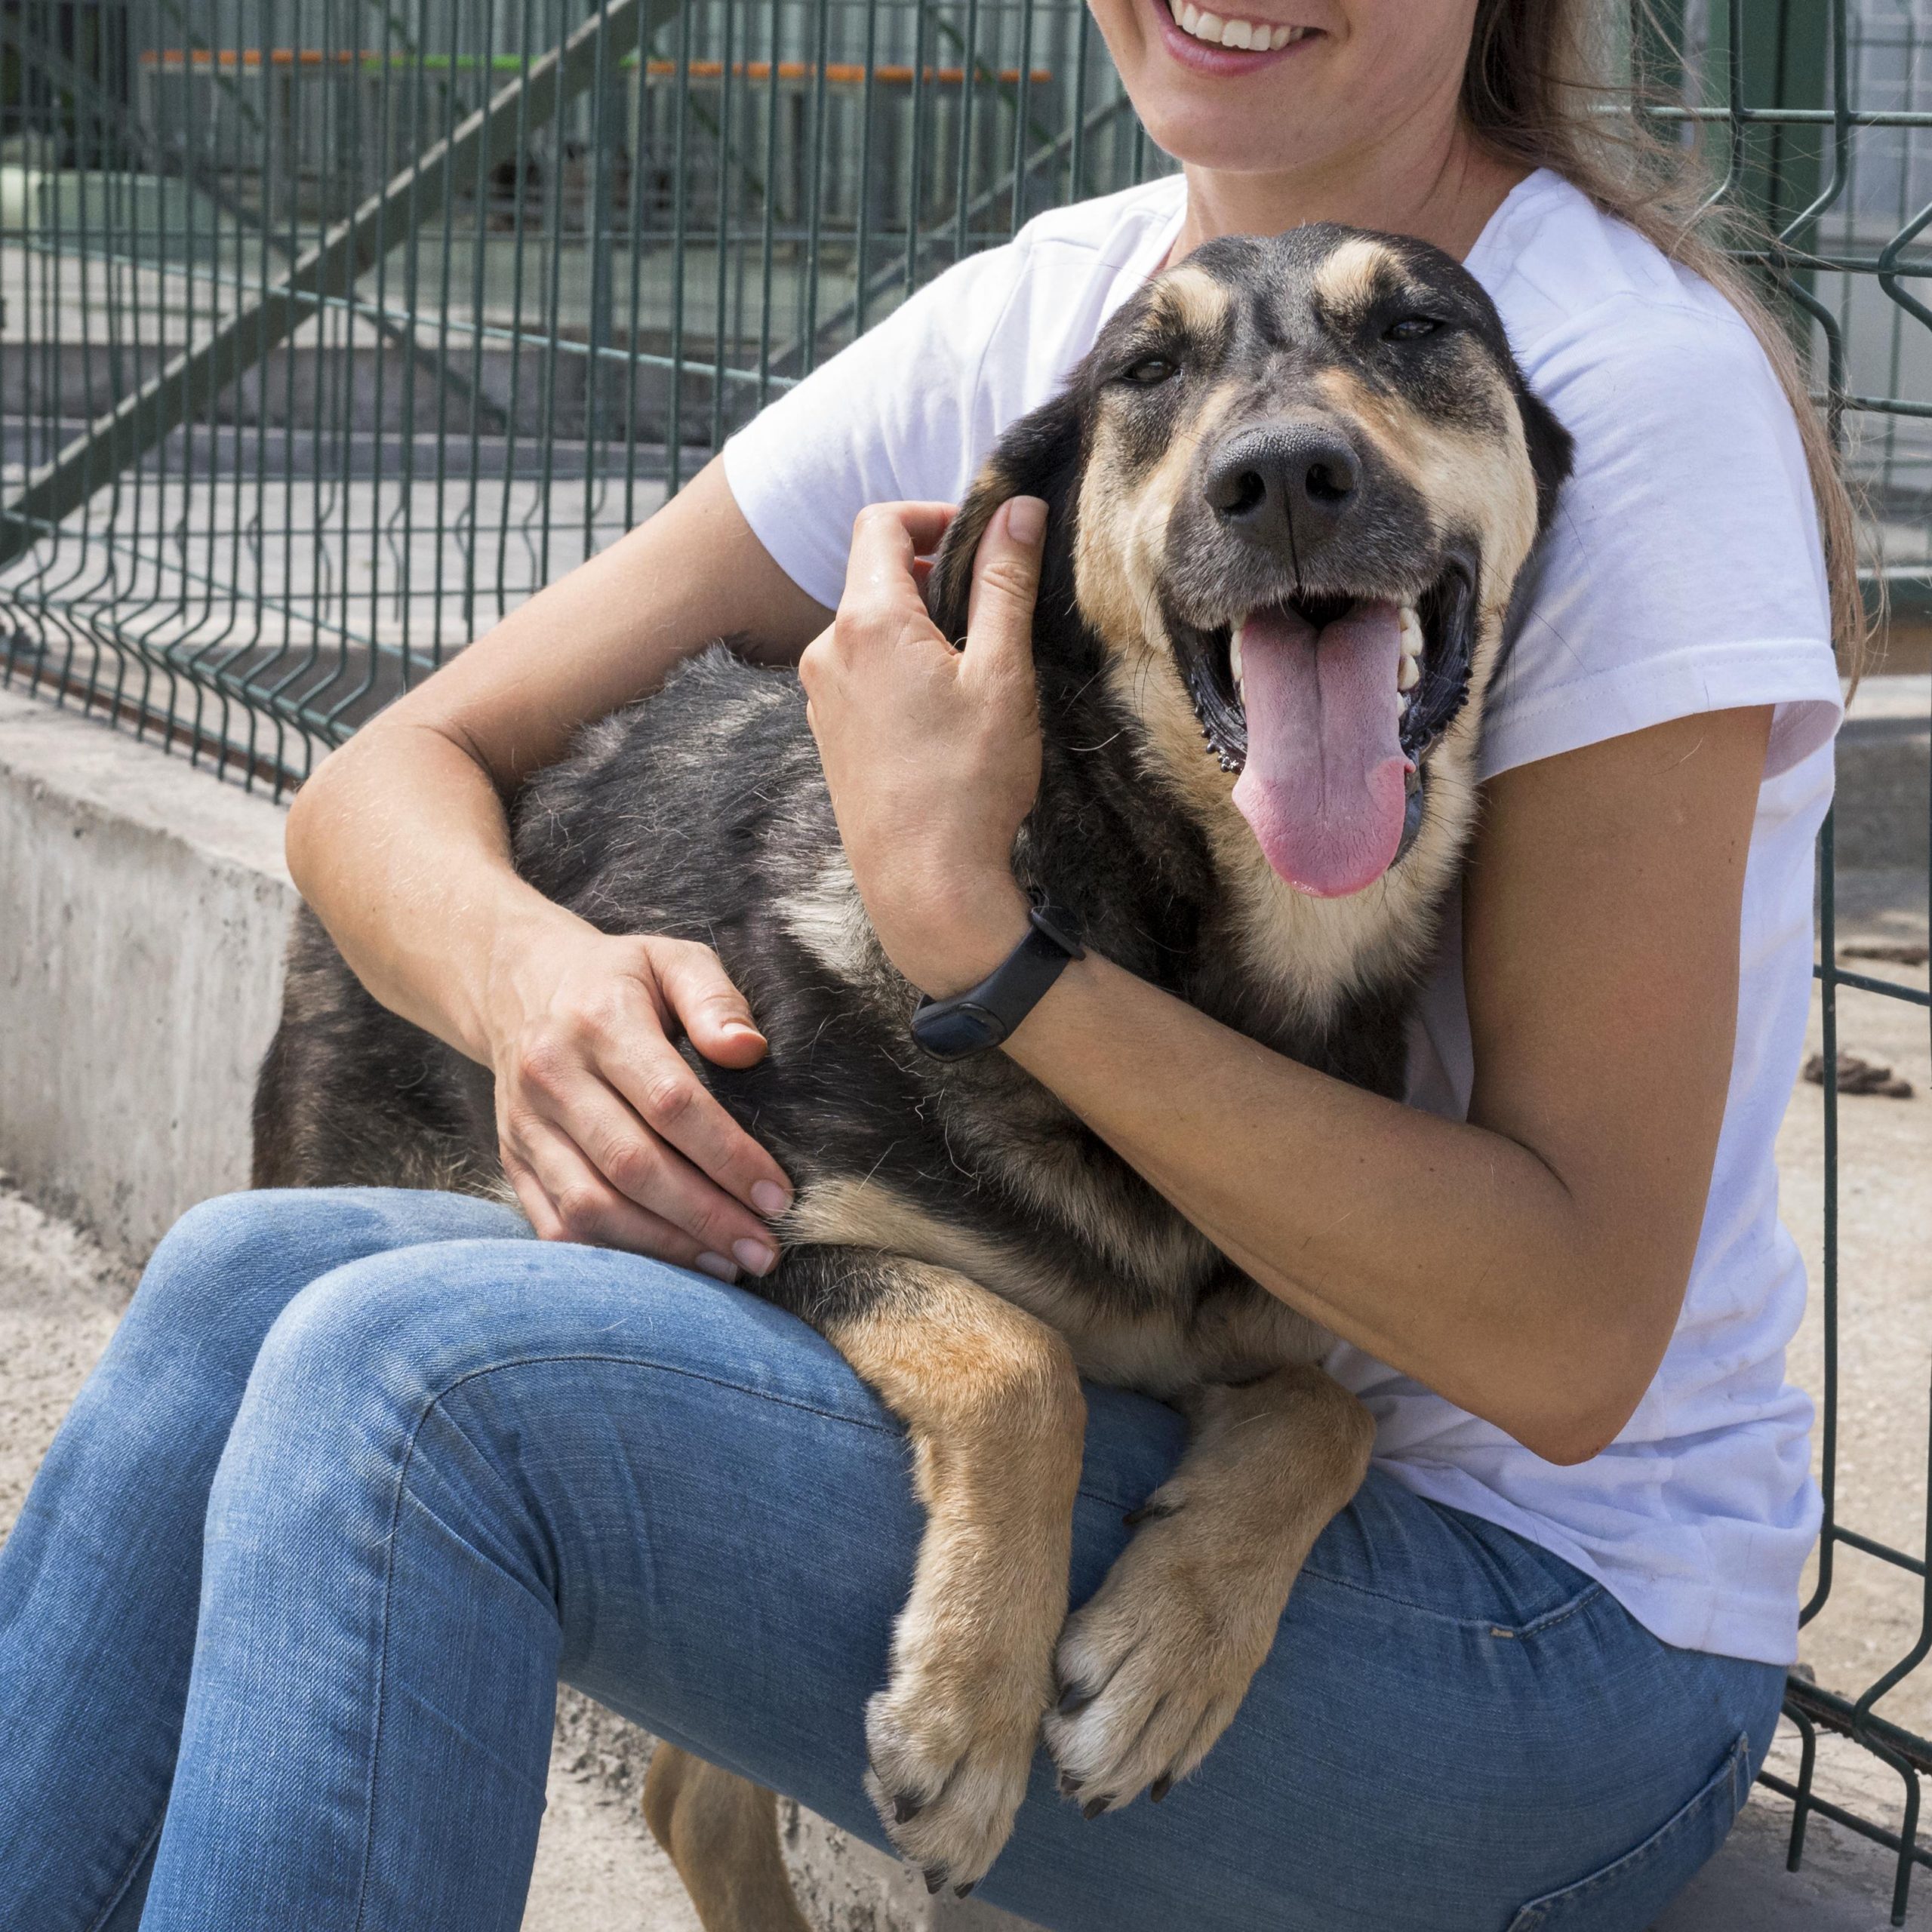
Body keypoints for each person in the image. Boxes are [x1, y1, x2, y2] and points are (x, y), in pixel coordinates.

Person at [0, 2, 1857, 1927]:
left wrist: (979, 942)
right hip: (1153, 1406)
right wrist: (530, 996)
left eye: (1401, 345)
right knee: (234, 1286)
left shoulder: (1632, 385)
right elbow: (380, 782)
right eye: (1179, 391)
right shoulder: (1041, 323)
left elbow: (1562, 1344)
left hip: (1540, 1632)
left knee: (415, 1382)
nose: (1281, 451)